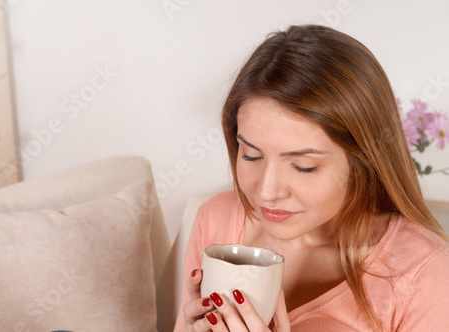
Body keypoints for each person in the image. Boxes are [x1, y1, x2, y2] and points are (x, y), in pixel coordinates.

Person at [173, 24, 449, 332]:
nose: (267, 192)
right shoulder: (217, 220)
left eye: (303, 165)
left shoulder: (425, 274)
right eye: (251, 155)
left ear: (365, 160)